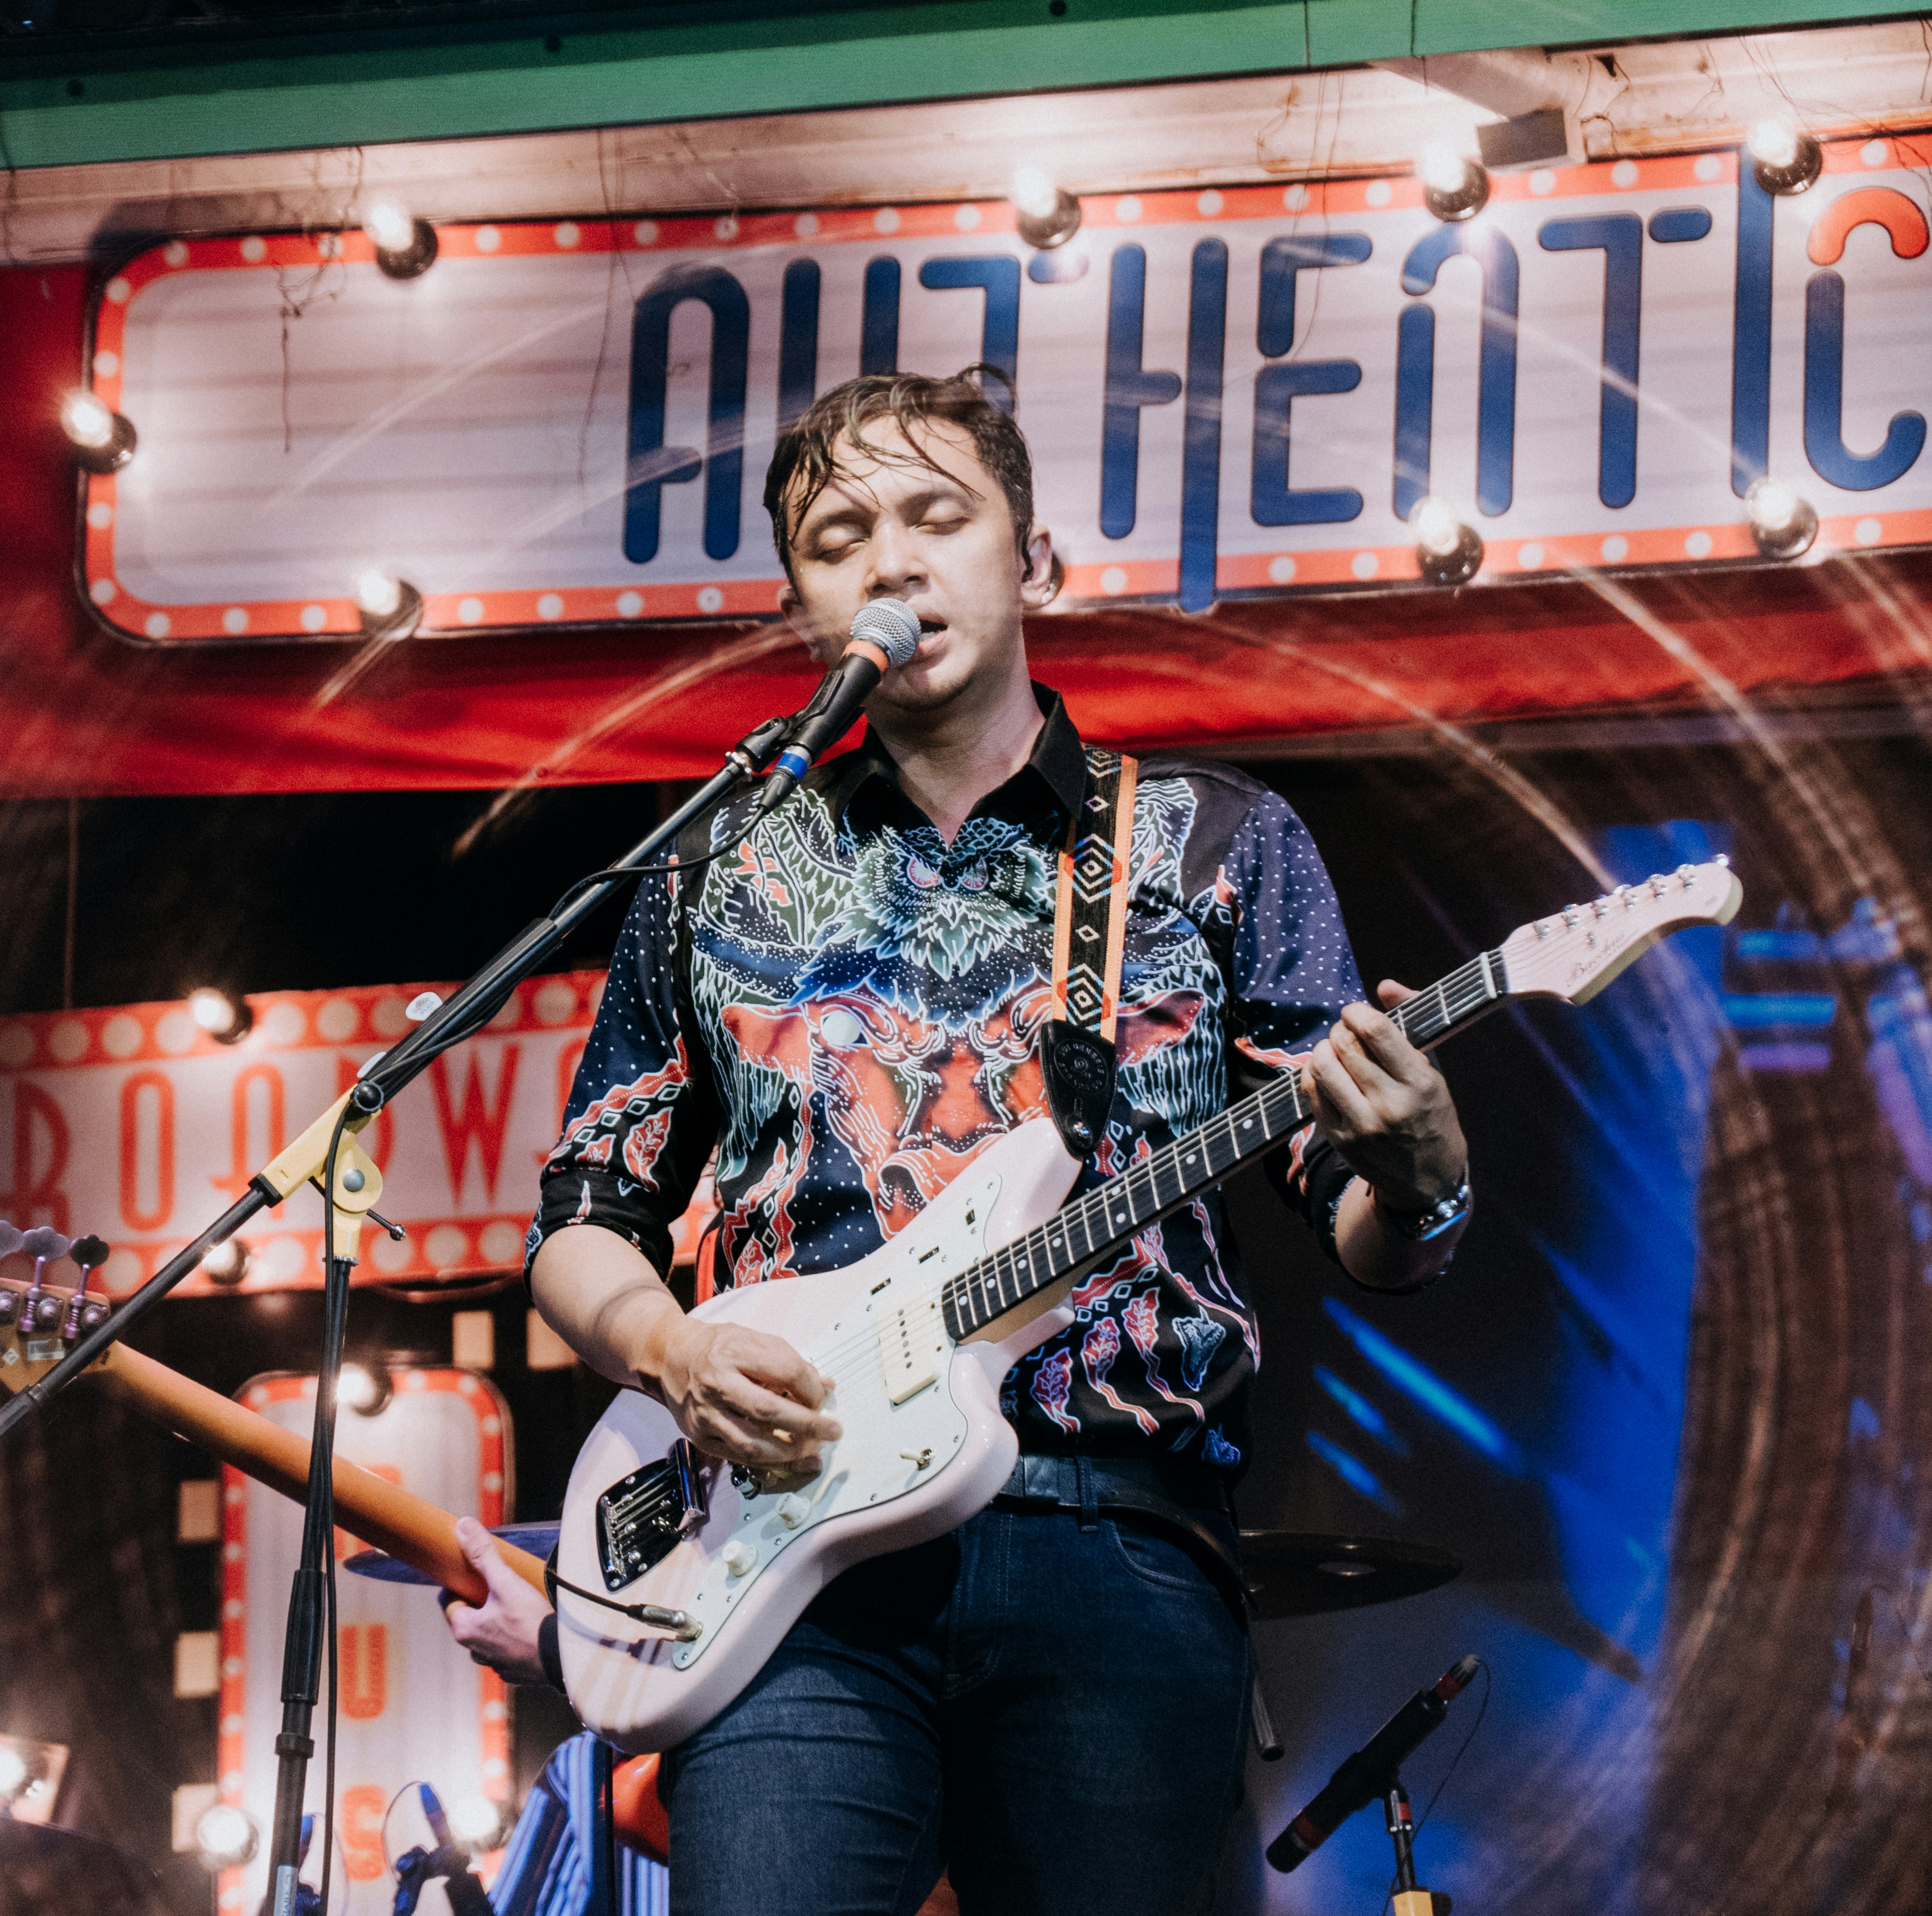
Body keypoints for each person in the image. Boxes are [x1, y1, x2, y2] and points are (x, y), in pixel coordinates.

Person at [523, 367, 1470, 1916]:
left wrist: (1425, 1175)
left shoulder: (1219, 846)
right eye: (840, 538)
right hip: (789, 1566)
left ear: (1034, 562)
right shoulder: (711, 873)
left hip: (1118, 1540)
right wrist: (665, 1352)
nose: (889, 560)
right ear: (803, 606)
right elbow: (582, 1218)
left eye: (934, 517)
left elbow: (1364, 1228)